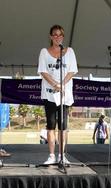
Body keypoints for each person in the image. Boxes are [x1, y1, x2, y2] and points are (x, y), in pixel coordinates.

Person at [37, 24, 78, 164]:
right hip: (50, 94)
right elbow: (43, 71)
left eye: (60, 35)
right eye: (55, 34)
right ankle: (51, 156)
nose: (57, 37)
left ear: (63, 37)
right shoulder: (44, 52)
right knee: (51, 124)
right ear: (50, 36)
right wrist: (55, 85)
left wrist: (62, 85)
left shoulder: (70, 51)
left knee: (63, 126)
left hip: (64, 95)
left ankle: (61, 155)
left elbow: (71, 71)